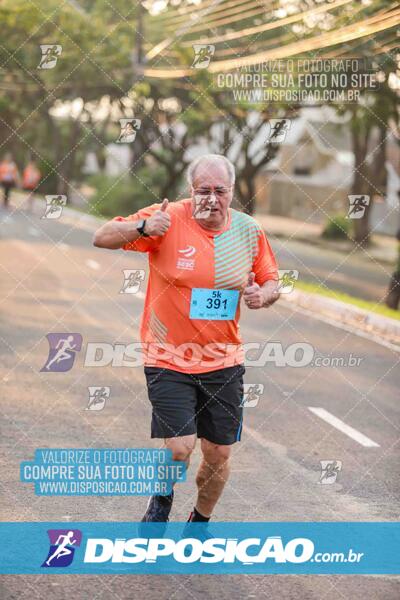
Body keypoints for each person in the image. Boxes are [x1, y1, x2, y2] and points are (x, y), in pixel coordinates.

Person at [93, 154, 280, 524]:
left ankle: (199, 523)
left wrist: (265, 295)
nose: (212, 199)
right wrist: (145, 226)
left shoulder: (247, 230)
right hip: (167, 357)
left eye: (220, 191)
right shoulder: (168, 219)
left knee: (218, 455)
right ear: (190, 191)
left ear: (232, 192)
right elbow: (101, 237)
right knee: (180, 448)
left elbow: (271, 279)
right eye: (203, 191)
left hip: (223, 360)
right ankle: (161, 499)